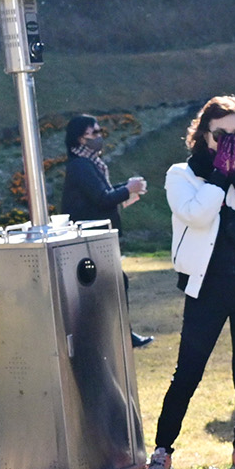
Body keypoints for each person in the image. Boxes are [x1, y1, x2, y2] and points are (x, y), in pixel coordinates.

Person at [149, 97, 235, 469]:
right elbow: (195, 214)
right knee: (188, 370)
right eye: (220, 134)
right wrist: (219, 177)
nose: (228, 142)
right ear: (203, 134)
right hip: (205, 288)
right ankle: (162, 450)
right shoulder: (182, 174)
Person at [61, 113, 152, 347]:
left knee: (113, 284)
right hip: (91, 239)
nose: (100, 137)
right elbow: (102, 198)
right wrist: (127, 189)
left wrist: (127, 190)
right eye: (95, 133)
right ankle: (119, 335)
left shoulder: (88, 164)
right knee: (113, 284)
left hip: (96, 237)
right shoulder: (81, 165)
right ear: (80, 138)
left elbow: (102, 195)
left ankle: (118, 334)